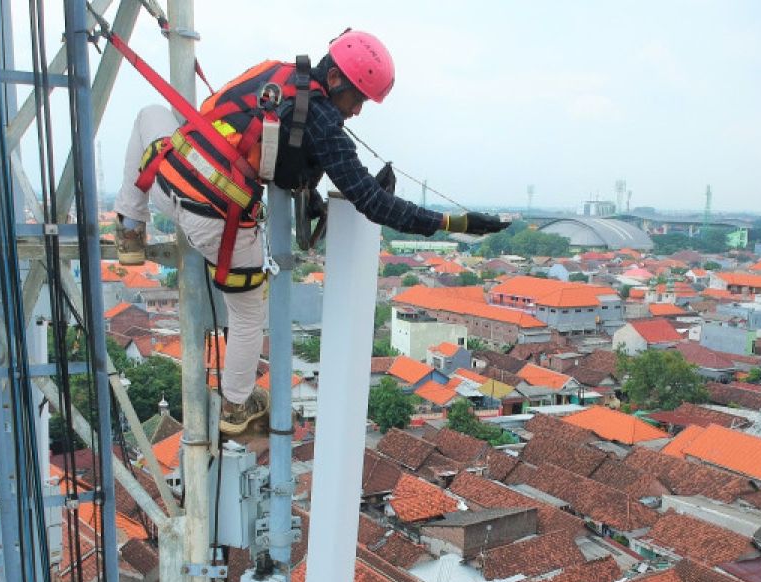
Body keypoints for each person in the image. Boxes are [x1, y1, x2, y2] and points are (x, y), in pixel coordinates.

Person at [114, 29, 509, 437]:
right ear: (335, 79)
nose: (355, 112)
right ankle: (236, 404)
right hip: (217, 218)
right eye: (356, 98)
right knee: (249, 314)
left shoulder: (277, 74)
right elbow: (371, 201)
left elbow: (278, 150)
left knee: (149, 114)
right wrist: (451, 224)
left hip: (167, 181)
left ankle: (129, 226)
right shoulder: (321, 121)